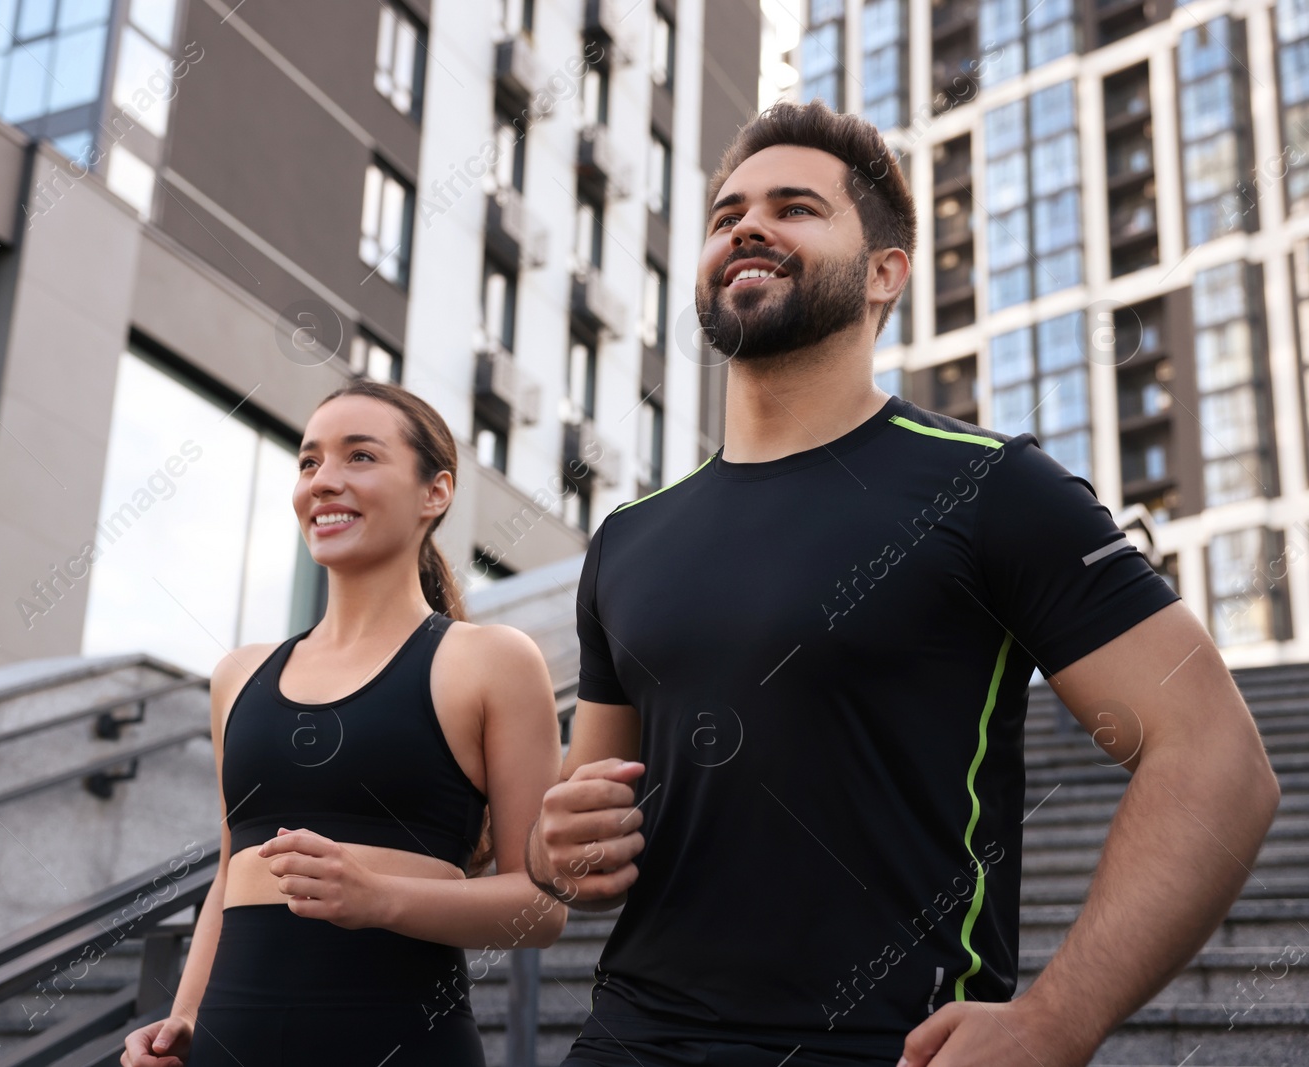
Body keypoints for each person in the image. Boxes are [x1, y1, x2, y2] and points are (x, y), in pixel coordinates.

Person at [529, 101, 1281, 1067]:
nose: (747, 226)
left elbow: (1217, 759)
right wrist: (562, 848)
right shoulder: (627, 540)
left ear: (885, 274)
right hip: (626, 1044)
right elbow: (583, 824)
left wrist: (1061, 1020)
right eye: (726, 216)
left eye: (796, 206)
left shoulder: (992, 486)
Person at [122, 378, 567, 1067]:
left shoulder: (492, 661)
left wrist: (380, 898)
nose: (324, 481)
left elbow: (541, 907)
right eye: (308, 462)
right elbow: (228, 876)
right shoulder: (239, 674)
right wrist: (180, 1019)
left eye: (359, 456)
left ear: (436, 493)